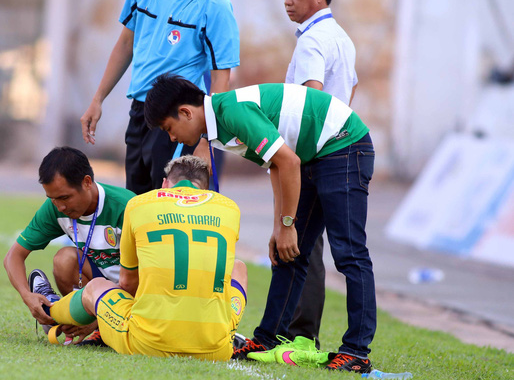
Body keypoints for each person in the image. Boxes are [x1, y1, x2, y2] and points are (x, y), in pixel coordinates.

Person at [143, 75, 376, 373]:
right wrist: (280, 228)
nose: (172, 138)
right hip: (312, 157)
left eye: (169, 129)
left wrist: (289, 223)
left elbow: (289, 162)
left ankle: (356, 351)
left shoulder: (232, 112)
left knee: (349, 252)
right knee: (287, 251)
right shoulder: (219, 126)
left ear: (186, 112)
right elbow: (277, 166)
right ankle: (267, 340)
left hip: (344, 146)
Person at [29, 155, 249, 360]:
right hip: (216, 349)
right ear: (205, 189)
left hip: (148, 342)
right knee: (239, 267)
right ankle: (227, 331)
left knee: (95, 287)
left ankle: (52, 311)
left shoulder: (139, 203)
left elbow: (127, 284)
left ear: (164, 183)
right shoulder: (230, 208)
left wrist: (99, 317)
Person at [80, 0, 239, 194]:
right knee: (137, 203)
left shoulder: (217, 6)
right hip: (140, 112)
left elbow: (221, 77)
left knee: (169, 205)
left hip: (178, 120)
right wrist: (97, 99)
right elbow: (126, 43)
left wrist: (206, 138)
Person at [282, 0, 359, 351]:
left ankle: (298, 334)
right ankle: (304, 332)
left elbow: (309, 101)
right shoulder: (342, 38)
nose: (287, 1)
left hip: (313, 154)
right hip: (341, 150)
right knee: (330, 249)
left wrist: (291, 160)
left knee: (302, 244)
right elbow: (351, 93)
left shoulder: (311, 40)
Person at [3, 147, 135, 345]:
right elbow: (13, 256)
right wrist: (27, 295)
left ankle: (96, 323)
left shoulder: (127, 207)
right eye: (53, 199)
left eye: (64, 197)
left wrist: (101, 316)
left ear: (87, 182)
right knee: (64, 260)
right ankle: (64, 314)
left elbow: (151, 274)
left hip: (135, 287)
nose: (60, 207)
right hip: (99, 289)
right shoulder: (55, 208)